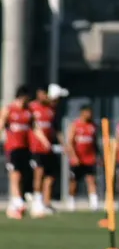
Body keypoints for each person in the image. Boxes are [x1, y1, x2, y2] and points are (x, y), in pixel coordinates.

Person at [2, 85, 40, 219]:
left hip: (26, 148)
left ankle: (14, 206)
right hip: (13, 147)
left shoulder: (28, 112)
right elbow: (1, 124)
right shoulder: (9, 109)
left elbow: (35, 128)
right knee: (15, 174)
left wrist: (45, 142)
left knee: (24, 175)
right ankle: (18, 201)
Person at [28, 85, 65, 218]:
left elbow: (56, 129)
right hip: (36, 148)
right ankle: (37, 202)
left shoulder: (51, 110)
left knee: (51, 175)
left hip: (48, 149)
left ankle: (46, 202)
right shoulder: (31, 107)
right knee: (39, 173)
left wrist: (63, 144)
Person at [65, 105, 100, 212]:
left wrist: (98, 156)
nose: (89, 115)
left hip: (89, 158)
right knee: (74, 182)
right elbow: (70, 142)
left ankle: (94, 204)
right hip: (78, 158)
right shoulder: (75, 125)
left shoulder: (93, 126)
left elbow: (94, 143)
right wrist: (74, 156)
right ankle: (71, 202)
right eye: (87, 112)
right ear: (82, 113)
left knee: (91, 180)